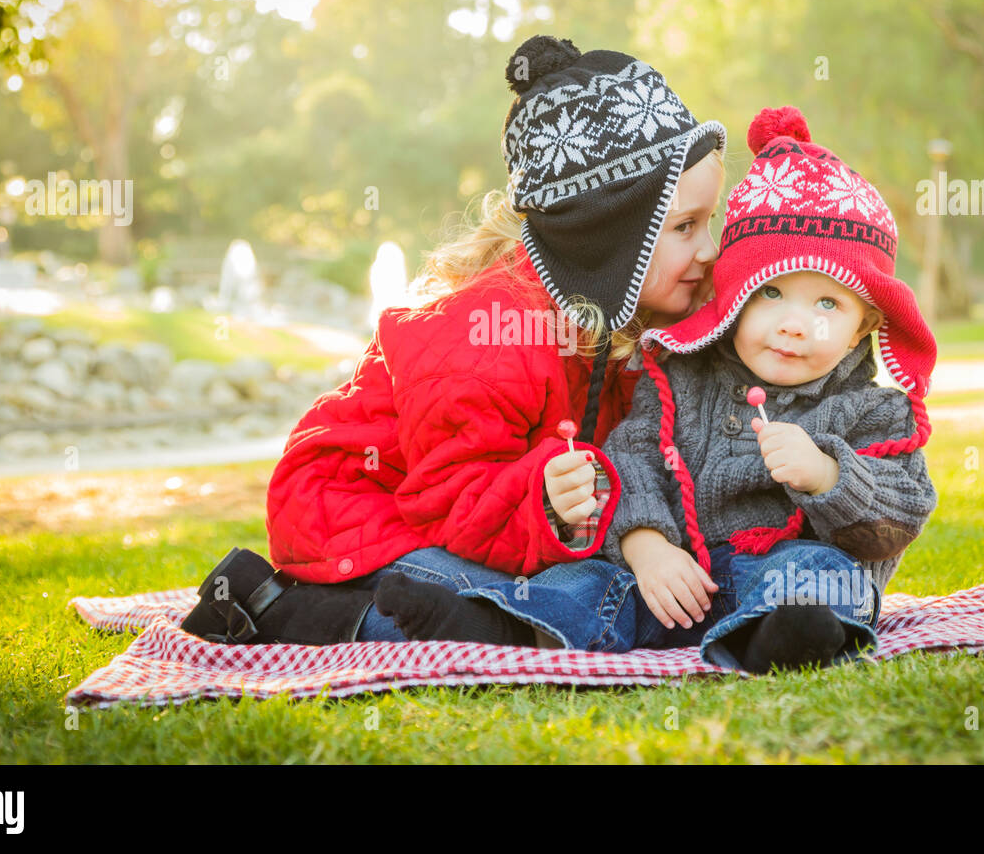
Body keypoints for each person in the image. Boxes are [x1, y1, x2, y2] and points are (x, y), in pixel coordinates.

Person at [179, 34, 727, 649]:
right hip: (364, 516)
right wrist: (545, 500)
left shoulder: (609, 320)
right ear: (608, 235)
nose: (708, 250)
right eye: (683, 226)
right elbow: (454, 501)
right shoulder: (490, 336)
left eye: (710, 221)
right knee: (494, 612)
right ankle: (285, 610)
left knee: (582, 589)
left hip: (463, 513)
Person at [375, 106, 940, 675]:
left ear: (862, 327)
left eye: (826, 304)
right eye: (770, 293)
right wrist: (646, 547)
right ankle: (504, 628)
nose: (793, 323)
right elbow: (634, 458)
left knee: (819, 576)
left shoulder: (872, 411)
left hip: (783, 570)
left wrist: (827, 475)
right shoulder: (681, 376)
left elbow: (900, 514)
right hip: (673, 578)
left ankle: (781, 638)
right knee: (590, 584)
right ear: (734, 291)